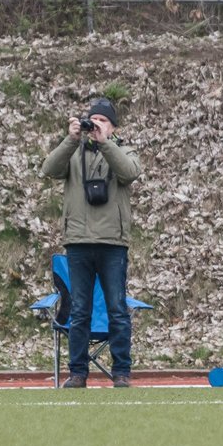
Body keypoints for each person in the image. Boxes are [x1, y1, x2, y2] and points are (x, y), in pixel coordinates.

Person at [39, 97, 143, 388]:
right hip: (78, 242)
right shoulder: (74, 152)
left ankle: (121, 372)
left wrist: (105, 142)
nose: (96, 125)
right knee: (80, 310)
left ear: (113, 126)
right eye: (93, 120)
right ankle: (78, 373)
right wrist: (71, 139)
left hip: (112, 243)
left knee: (117, 310)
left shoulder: (123, 149)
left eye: (103, 121)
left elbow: (129, 172)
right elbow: (49, 169)